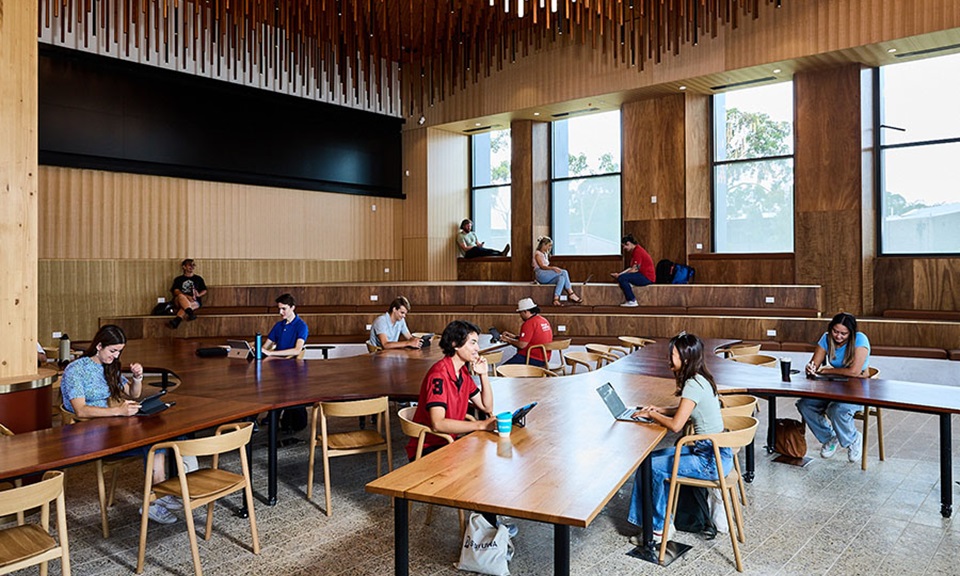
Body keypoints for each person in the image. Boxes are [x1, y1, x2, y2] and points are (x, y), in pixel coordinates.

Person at [60, 324, 180, 525]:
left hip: (109, 428)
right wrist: (118, 411)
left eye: (119, 352)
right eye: (112, 351)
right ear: (99, 346)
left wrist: (137, 378)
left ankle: (159, 496)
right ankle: (157, 498)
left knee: (158, 436)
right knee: (152, 443)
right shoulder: (76, 370)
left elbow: (133, 394)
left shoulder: (109, 367)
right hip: (84, 435)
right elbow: (80, 410)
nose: (115, 356)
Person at [627, 332, 732, 542]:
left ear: (685, 359)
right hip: (716, 452)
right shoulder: (701, 379)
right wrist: (660, 410)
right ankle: (658, 521)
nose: (668, 359)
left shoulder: (692, 384)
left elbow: (677, 426)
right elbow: (685, 409)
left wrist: (651, 414)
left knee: (653, 469)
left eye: (672, 355)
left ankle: (658, 530)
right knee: (646, 461)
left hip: (709, 460)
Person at [406, 319, 496, 461]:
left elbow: (487, 407)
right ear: (455, 344)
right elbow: (438, 423)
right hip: (428, 448)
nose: (477, 348)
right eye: (472, 342)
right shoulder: (439, 375)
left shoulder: (463, 373)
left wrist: (483, 375)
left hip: (449, 442)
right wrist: (480, 425)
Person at [797, 312, 871, 463]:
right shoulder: (826, 338)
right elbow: (815, 364)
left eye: (844, 333)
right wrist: (810, 368)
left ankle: (853, 439)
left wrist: (827, 370)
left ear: (851, 333)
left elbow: (854, 372)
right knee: (805, 405)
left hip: (857, 390)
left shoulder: (860, 339)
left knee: (836, 409)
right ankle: (829, 437)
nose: (838, 336)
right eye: (835, 332)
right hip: (833, 388)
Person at [500, 298, 553, 368]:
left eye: (520, 313)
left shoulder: (529, 323)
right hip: (545, 357)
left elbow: (522, 345)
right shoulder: (543, 320)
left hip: (531, 357)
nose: (520, 315)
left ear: (525, 311)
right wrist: (515, 337)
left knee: (502, 370)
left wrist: (508, 340)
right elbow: (534, 338)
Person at [533, 236, 583, 306]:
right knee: (564, 272)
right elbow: (542, 266)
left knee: (561, 278)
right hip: (541, 274)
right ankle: (571, 293)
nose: (550, 247)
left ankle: (556, 299)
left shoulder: (545, 254)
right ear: (544, 245)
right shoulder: (538, 254)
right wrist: (553, 268)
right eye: (549, 245)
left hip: (546, 274)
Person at [611, 234, 655, 307]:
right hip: (643, 275)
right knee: (622, 277)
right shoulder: (636, 251)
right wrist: (620, 274)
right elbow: (631, 268)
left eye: (624, 246)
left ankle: (632, 300)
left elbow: (635, 269)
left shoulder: (638, 251)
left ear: (628, 243)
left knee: (622, 278)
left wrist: (620, 276)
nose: (624, 248)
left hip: (646, 277)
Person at [262, 293, 309, 358]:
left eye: (284, 309)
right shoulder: (278, 325)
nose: (280, 312)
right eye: (279, 309)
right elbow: (266, 346)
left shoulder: (302, 326)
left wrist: (270, 353)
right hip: (276, 361)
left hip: (291, 363)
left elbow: (297, 350)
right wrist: (259, 350)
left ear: (292, 308)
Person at [168, 258, 207, 329]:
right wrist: (187, 296)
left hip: (194, 301)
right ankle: (190, 313)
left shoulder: (198, 279)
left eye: (193, 265)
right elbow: (176, 291)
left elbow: (204, 290)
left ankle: (178, 320)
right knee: (181, 296)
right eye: (189, 265)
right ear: (184, 267)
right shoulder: (178, 279)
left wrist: (198, 294)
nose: (192, 267)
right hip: (180, 300)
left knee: (187, 306)